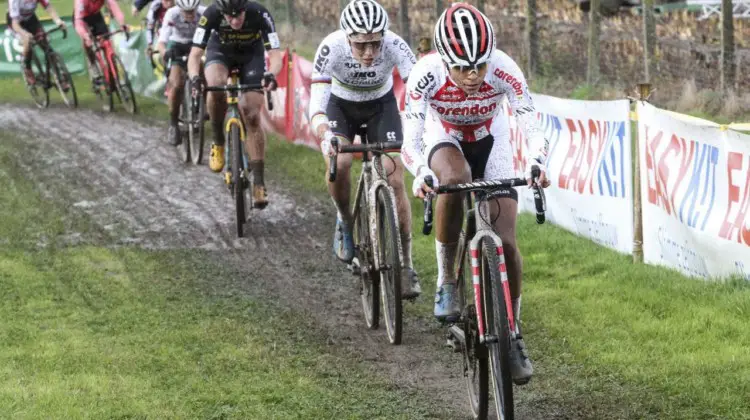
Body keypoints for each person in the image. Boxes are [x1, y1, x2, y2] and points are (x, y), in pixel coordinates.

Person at [400, 3, 550, 385]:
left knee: (507, 240)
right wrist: (420, 173)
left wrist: (537, 161)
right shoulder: (425, 74)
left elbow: (531, 121)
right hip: (444, 135)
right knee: (454, 175)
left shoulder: (504, 67)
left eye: (480, 66)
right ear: (443, 60)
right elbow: (410, 140)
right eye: (462, 68)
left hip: (491, 137)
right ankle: (447, 279)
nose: (472, 75)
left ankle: (513, 332)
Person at [309, 0, 421, 298]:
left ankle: (407, 263)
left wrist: (417, 129)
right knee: (340, 164)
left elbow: (418, 90)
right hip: (340, 107)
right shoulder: (331, 47)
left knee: (395, 178)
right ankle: (345, 220)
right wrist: (326, 137)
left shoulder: (396, 44)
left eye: (375, 44)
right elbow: (316, 107)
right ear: (347, 38)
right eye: (361, 46)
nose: (370, 53)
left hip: (380, 107)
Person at [187, 0, 281, 208]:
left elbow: (276, 55)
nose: (234, 20)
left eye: (238, 14)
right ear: (221, 12)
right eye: (228, 16)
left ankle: (258, 182)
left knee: (252, 114)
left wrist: (271, 74)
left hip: (251, 57)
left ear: (245, 8)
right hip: (220, 52)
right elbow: (195, 55)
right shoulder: (210, 14)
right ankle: (218, 140)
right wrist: (195, 78)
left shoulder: (260, 14)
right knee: (215, 85)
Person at [156, 0, 206, 145]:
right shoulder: (172, 14)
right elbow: (161, 42)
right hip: (176, 45)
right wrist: (165, 53)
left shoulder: (204, 13)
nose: (190, 15)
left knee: (206, 75)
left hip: (196, 45)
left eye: (193, 11)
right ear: (179, 8)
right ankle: (173, 123)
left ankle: (204, 108)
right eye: (186, 11)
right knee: (176, 84)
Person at [7, 0, 66, 84]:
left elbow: (48, 7)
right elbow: (15, 24)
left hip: (30, 19)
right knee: (27, 41)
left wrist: (58, 21)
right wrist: (24, 34)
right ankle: (27, 68)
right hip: (15, 22)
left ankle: (60, 78)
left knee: (44, 42)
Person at [73, 0, 128, 81]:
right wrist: (85, 35)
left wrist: (122, 24)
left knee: (106, 39)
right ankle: (93, 66)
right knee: (88, 42)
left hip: (96, 15)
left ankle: (112, 65)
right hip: (82, 19)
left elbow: (114, 7)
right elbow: (78, 22)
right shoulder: (80, 2)